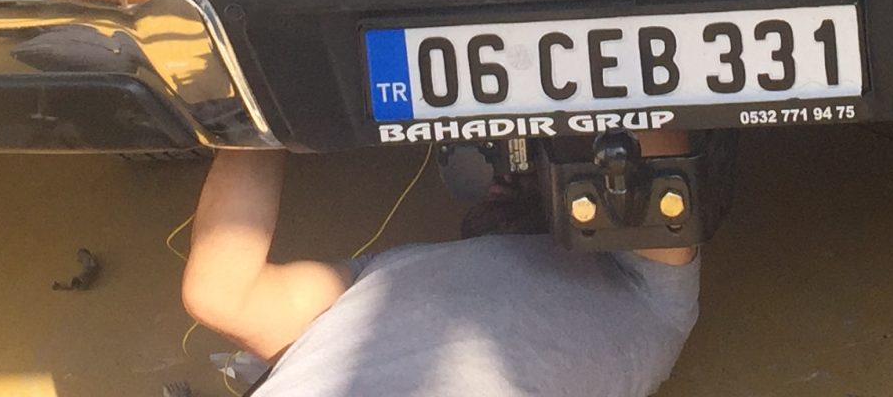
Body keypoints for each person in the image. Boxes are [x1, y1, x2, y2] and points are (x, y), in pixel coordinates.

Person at [176, 141, 701, 396]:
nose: (504, 179)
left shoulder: (652, 299)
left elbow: (224, 296)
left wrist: (251, 124)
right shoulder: (650, 302)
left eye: (529, 178)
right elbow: (658, 156)